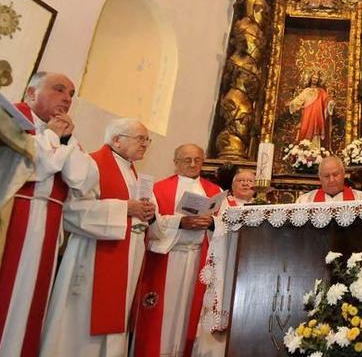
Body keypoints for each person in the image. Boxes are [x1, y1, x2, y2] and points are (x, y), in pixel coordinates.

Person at [0, 72, 98, 357]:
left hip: (48, 223)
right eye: (58, 90)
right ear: (31, 93)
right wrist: (55, 137)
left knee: (32, 301)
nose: (67, 98)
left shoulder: (65, 135)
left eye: (71, 93)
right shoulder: (12, 120)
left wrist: (63, 139)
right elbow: (39, 165)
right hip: (14, 214)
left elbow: (83, 180)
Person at [41, 118, 156, 356]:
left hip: (127, 256)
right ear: (117, 140)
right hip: (92, 255)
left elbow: (135, 211)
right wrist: (125, 208)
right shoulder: (92, 163)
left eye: (148, 140)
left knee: (115, 317)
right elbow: (71, 210)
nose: (145, 144)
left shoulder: (133, 172)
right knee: (81, 321)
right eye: (140, 139)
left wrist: (146, 213)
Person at [133, 144, 222, 357]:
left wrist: (211, 223)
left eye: (197, 160)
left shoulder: (215, 191)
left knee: (190, 313)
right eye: (187, 160)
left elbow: (225, 223)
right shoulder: (158, 188)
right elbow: (151, 223)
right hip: (168, 258)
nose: (193, 164)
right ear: (176, 162)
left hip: (199, 260)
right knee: (163, 312)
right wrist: (181, 223)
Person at [191, 167, 258, 357]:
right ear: (232, 185)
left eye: (250, 180)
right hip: (225, 262)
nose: (246, 183)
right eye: (241, 181)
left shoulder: (263, 206)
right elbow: (215, 224)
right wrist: (215, 223)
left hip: (252, 264)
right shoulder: (223, 204)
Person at [287, 71, 334, 148]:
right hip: (307, 113)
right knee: (304, 128)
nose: (315, 79)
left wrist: (330, 103)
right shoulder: (306, 91)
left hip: (317, 114)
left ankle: (315, 149)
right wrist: (292, 103)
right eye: (313, 78)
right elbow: (298, 100)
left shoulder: (321, 91)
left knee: (316, 130)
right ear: (310, 79)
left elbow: (327, 100)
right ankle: (304, 147)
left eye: (316, 78)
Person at [296, 156, 362, 203]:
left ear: (343, 174)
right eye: (326, 176)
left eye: (335, 175)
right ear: (320, 177)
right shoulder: (305, 200)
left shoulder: (359, 198)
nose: (331, 180)